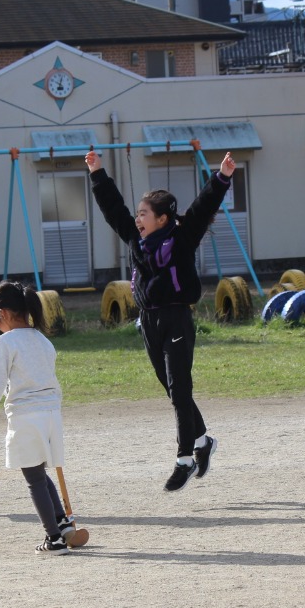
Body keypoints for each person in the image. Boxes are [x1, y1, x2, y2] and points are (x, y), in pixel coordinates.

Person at [85, 148, 234, 492]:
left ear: (163, 219)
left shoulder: (181, 239)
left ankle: (184, 459)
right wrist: (97, 172)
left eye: (144, 214)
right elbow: (112, 208)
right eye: (138, 214)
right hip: (149, 322)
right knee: (172, 390)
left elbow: (202, 208)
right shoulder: (136, 239)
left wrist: (222, 177)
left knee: (181, 390)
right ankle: (202, 440)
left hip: (177, 318)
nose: (138, 218)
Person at [0, 281, 76, 554]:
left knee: (33, 477)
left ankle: (54, 539)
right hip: (51, 413)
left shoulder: (5, 342)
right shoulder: (42, 340)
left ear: (1, 314)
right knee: (39, 470)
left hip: (26, 415)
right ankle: (61, 521)